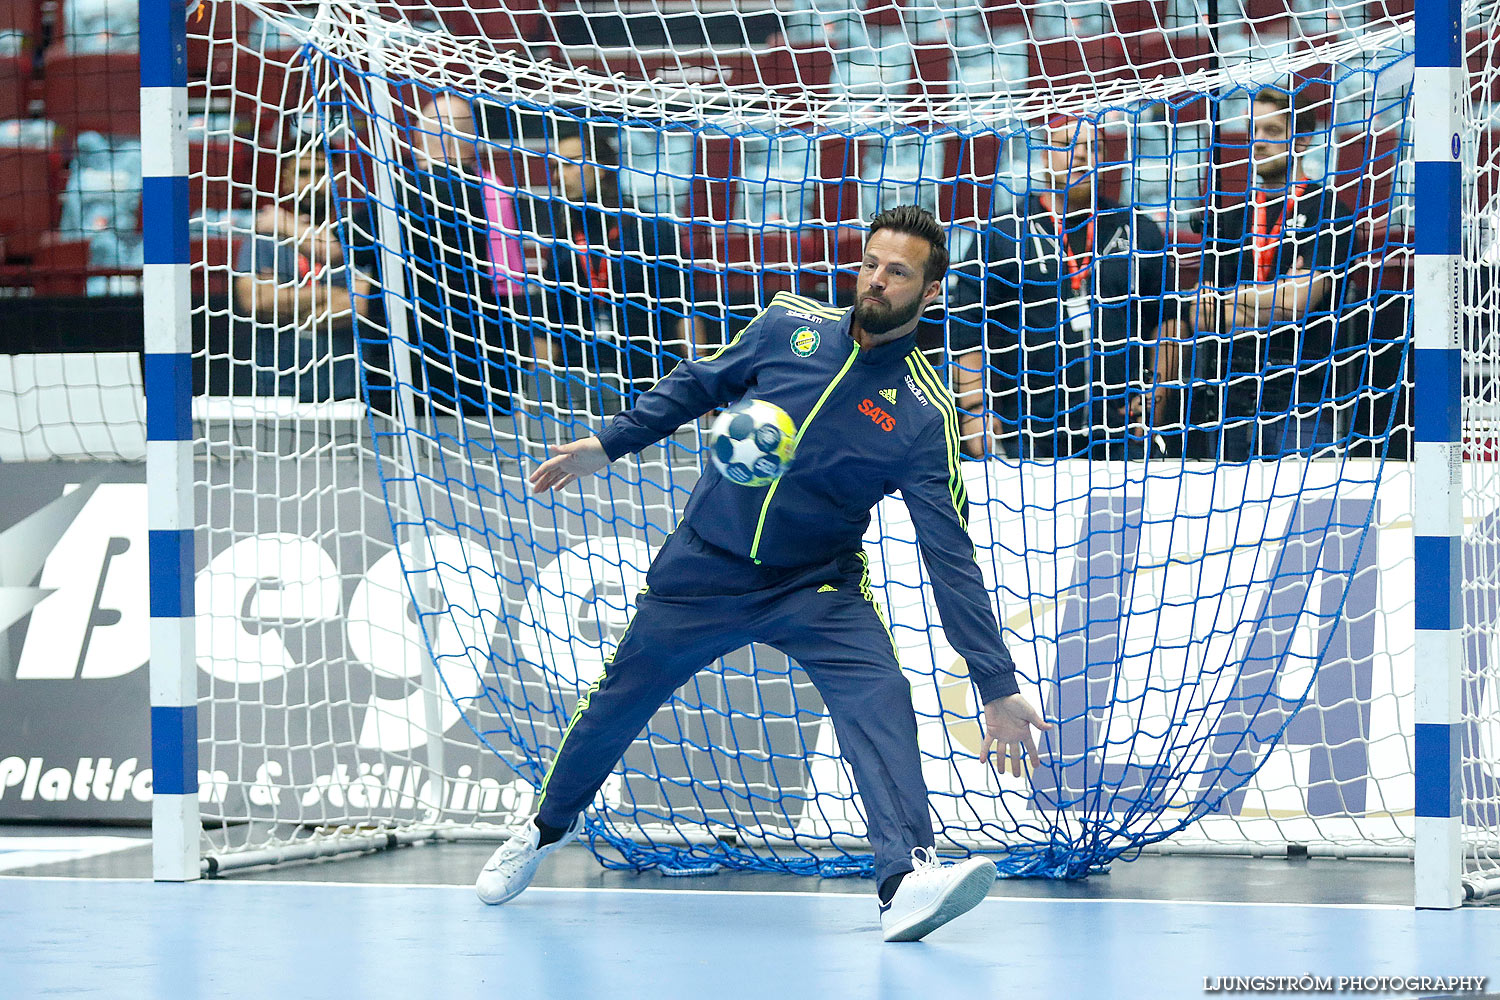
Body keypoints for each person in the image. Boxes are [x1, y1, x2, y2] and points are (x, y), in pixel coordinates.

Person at [476, 205, 1051, 943]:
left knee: (879, 690)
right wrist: (609, 445)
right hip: (703, 569)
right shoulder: (789, 325)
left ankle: (904, 880)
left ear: (930, 293)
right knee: (614, 705)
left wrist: (995, 684)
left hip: (813, 586)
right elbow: (696, 384)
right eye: (870, 262)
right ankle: (544, 827)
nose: (876, 280)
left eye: (898, 272)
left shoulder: (922, 415)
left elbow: (951, 559)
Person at [946, 115, 1184, 459]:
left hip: (1121, 435)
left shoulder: (1139, 231)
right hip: (1028, 432)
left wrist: (1157, 396)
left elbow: (1169, 321)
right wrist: (973, 410)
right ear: (1044, 154)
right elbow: (967, 326)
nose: (1083, 156)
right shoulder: (1006, 231)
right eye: (1068, 146)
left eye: (1094, 148)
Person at [1194, 88, 1356, 461]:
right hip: (1230, 401)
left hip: (1304, 401)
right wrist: (1275, 292)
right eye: (1254, 130)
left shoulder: (1327, 209)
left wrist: (1233, 299)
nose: (1259, 142)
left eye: (1272, 131)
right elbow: (1201, 315)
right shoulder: (1230, 219)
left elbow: (1297, 303)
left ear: (1301, 140)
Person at [534, 119, 699, 403]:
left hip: (649, 380)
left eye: (569, 163)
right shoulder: (563, 239)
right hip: (581, 387)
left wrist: (701, 386)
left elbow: (684, 310)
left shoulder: (651, 230)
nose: (559, 176)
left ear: (601, 168)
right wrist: (537, 396)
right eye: (554, 167)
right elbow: (547, 325)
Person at [233, 142, 373, 401]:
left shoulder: (361, 234)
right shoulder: (264, 235)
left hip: (351, 388)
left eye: (321, 172)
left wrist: (286, 300)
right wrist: (336, 294)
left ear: (338, 179)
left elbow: (365, 304)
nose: (312, 183)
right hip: (275, 391)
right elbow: (256, 302)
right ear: (286, 180)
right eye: (303, 173)